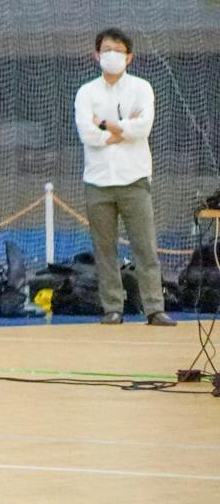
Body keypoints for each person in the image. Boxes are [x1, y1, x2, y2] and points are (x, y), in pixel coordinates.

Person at [75, 28, 172, 326]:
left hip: (135, 179)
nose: (112, 56)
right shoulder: (86, 92)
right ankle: (112, 308)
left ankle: (154, 308)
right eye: (106, 50)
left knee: (145, 247)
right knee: (105, 250)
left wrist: (104, 124)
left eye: (118, 51)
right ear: (96, 55)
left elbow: (143, 127)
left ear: (129, 57)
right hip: (98, 181)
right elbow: (87, 133)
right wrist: (122, 130)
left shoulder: (142, 88)